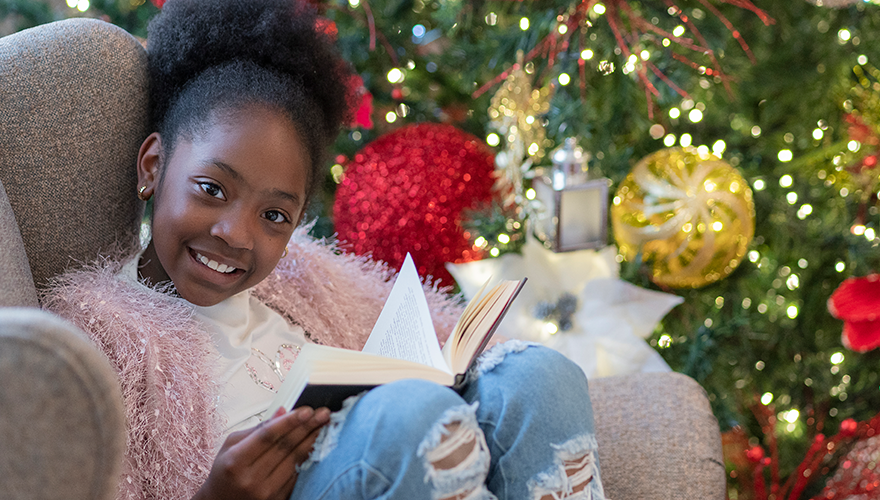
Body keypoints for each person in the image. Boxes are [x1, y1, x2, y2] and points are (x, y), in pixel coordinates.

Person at [41, 1, 604, 499]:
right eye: (212, 190)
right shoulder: (95, 337)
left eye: (274, 216)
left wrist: (457, 362)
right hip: (364, 457)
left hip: (395, 461)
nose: (236, 234)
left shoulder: (302, 280)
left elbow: (430, 343)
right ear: (153, 166)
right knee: (409, 415)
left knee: (537, 372)